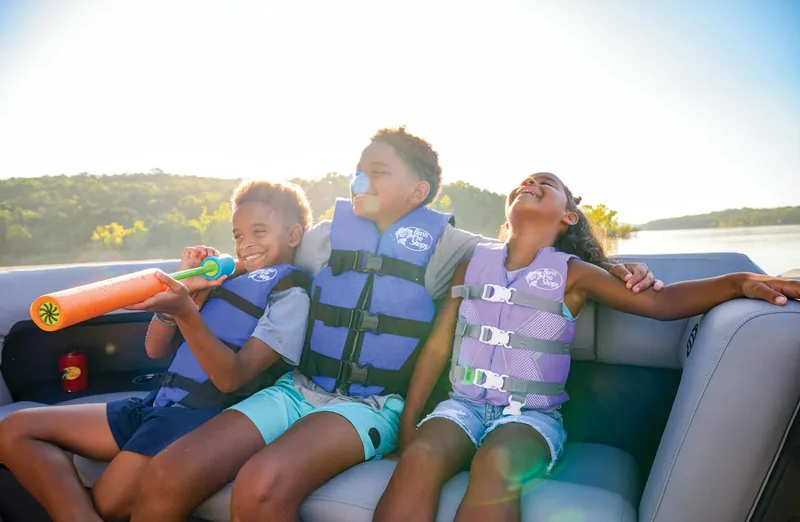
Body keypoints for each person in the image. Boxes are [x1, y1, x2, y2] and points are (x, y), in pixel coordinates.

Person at [128, 127, 661, 522]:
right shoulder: (323, 239)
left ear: (419, 192)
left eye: (378, 172)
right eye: (358, 169)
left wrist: (617, 269)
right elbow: (258, 251)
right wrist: (205, 270)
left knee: (260, 485)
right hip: (297, 388)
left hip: (372, 404)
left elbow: (530, 257)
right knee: (167, 474)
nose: (361, 179)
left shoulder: (455, 248)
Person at [372, 172, 800, 522]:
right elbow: (435, 349)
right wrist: (410, 430)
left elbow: (660, 303)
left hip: (529, 418)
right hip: (459, 408)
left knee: (499, 463)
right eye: (524, 180)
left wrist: (737, 281)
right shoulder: (470, 264)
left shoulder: (575, 273)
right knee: (423, 454)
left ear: (568, 218)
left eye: (546, 183)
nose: (530, 183)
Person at [0, 179, 313, 522]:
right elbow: (155, 348)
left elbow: (230, 379)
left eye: (259, 231)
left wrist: (186, 311)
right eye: (238, 235)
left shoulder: (290, 296)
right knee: (15, 429)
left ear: (294, 235)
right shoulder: (226, 281)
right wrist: (184, 293)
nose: (246, 244)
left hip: (197, 417)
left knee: (106, 506)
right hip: (158, 403)